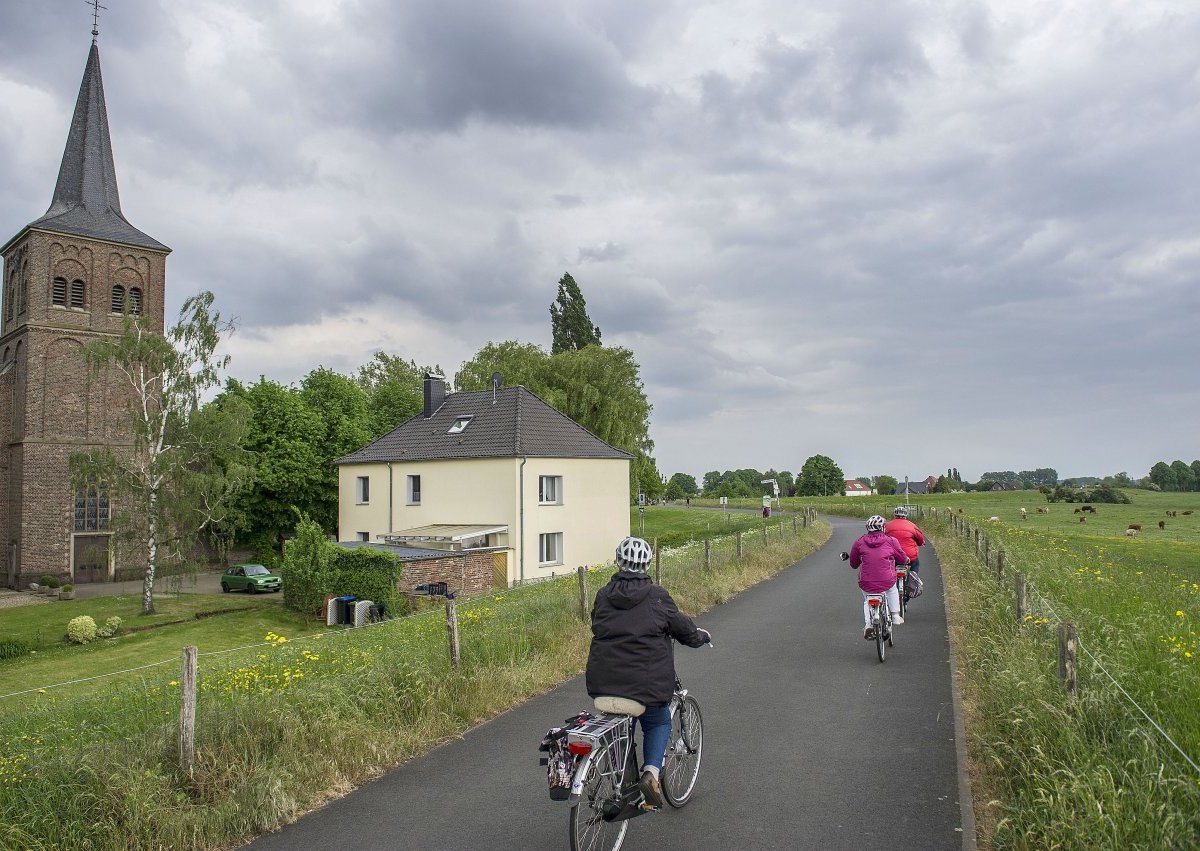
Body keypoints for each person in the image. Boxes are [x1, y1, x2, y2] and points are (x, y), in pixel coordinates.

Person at [586, 536, 711, 809]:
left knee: (623, 723)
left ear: (619, 561)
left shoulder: (603, 595)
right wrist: (700, 637)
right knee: (657, 721)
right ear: (647, 565)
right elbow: (683, 629)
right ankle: (650, 774)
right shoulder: (657, 597)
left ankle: (619, 777)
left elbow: (597, 625)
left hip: (604, 681)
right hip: (648, 686)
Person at [847, 515, 909, 640]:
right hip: (887, 578)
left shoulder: (859, 542)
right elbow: (901, 558)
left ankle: (869, 624)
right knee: (892, 590)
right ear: (883, 527)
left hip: (866, 581)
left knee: (867, 600)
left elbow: (853, 564)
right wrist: (906, 560)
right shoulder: (891, 541)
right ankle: (895, 615)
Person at [885, 506, 926, 574]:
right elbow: (920, 538)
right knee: (915, 564)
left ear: (895, 515)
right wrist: (920, 543)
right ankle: (913, 579)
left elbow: (881, 538)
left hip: (892, 555)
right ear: (906, 515)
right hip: (909, 555)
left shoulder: (887, 525)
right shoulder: (912, 525)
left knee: (889, 566)